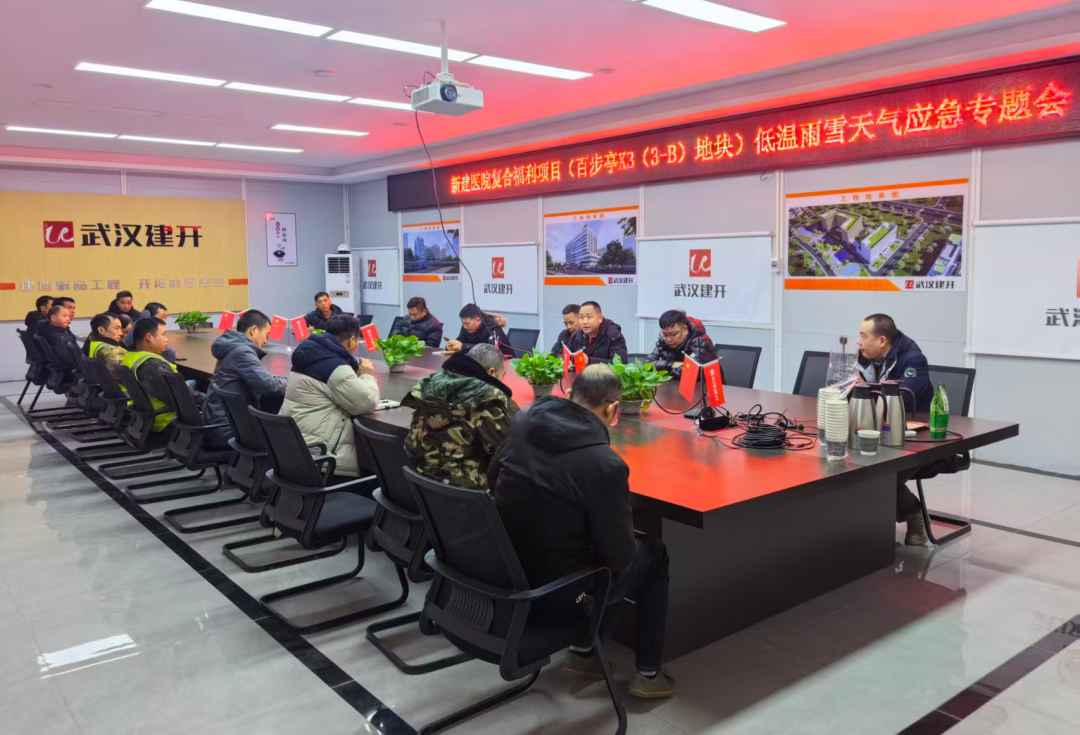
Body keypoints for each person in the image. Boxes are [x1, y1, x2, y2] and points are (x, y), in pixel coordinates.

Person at [490, 365, 675, 698]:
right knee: (652, 552)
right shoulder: (604, 464)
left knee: (584, 536)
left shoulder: (522, 424)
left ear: (569, 395)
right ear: (613, 409)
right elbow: (619, 557)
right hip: (557, 596)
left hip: (506, 571)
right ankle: (648, 673)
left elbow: (492, 480)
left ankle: (585, 653)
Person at [856, 313, 934, 545]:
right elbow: (843, 384)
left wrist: (864, 388)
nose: (858, 342)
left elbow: (902, 399)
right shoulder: (863, 354)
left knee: (876, 473)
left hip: (910, 437)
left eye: (863, 336)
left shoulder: (913, 359)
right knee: (841, 467)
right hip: (869, 426)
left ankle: (913, 512)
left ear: (881, 340)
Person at [403, 343, 518, 490]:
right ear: (491, 372)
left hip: (417, 483)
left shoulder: (430, 382)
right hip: (463, 493)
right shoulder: (488, 399)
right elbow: (511, 451)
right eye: (503, 375)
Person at [281, 315, 380, 477]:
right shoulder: (335, 367)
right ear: (352, 340)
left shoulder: (311, 354)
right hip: (321, 461)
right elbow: (368, 402)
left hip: (293, 450)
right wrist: (367, 375)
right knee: (378, 476)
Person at [201, 310, 289, 449]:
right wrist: (295, 383)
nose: (266, 341)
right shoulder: (242, 352)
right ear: (253, 330)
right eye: (266, 335)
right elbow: (269, 386)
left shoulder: (233, 346)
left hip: (220, 423)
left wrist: (287, 379)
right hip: (228, 430)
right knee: (288, 435)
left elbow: (267, 379)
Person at [119, 318, 179, 433]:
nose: (166, 339)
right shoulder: (153, 365)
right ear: (149, 337)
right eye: (163, 334)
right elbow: (180, 397)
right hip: (166, 422)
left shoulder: (129, 357)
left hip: (142, 420)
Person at [646, 310, 717, 377]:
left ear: (685, 330)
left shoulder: (700, 341)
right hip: (673, 383)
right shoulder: (664, 339)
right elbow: (647, 364)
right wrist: (672, 364)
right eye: (664, 334)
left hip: (705, 384)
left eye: (673, 334)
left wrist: (661, 370)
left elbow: (692, 372)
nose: (668, 339)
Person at [446, 304, 513, 357]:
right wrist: (452, 346)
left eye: (467, 323)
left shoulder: (493, 327)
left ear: (478, 320)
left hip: (504, 362)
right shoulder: (466, 326)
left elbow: (492, 352)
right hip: (477, 360)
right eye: (462, 323)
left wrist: (463, 347)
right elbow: (461, 340)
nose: (465, 326)